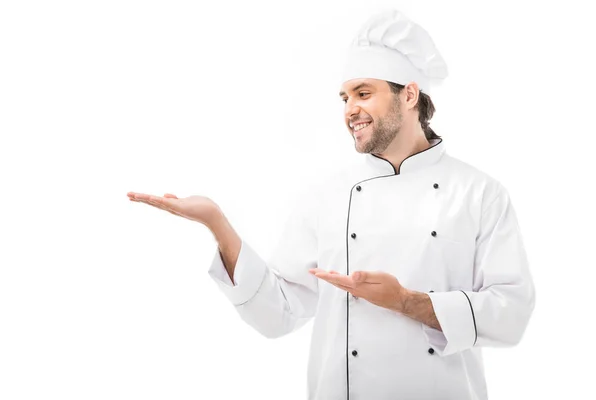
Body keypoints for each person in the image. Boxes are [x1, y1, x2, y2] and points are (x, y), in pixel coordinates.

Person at [127, 9, 535, 400]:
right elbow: (280, 312)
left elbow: (512, 312)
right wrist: (218, 223)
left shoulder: (478, 193)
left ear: (409, 95)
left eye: (363, 93)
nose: (349, 110)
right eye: (344, 98)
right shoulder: (329, 196)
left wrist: (407, 302)